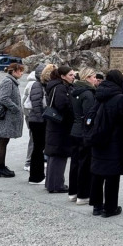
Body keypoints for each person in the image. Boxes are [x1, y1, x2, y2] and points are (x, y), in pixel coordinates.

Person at [90, 69, 123, 218]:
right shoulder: (120, 98)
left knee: (97, 173)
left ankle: (97, 206)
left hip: (98, 137)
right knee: (112, 175)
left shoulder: (98, 93)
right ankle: (110, 208)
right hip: (114, 139)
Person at [68, 67, 99, 205]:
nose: (95, 79)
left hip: (75, 129)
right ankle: (82, 194)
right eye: (93, 76)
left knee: (75, 163)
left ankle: (73, 192)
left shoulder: (74, 91)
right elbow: (89, 115)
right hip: (83, 132)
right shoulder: (88, 94)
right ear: (87, 78)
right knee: (84, 164)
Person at [0, 62, 25, 178]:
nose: (22, 73)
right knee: (3, 141)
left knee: (4, 141)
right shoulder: (8, 81)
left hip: (8, 117)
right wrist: (16, 109)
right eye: (20, 70)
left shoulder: (12, 81)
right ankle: (0, 168)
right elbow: (3, 98)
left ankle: (1, 167)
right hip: (6, 117)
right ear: (13, 71)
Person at [44, 65, 75, 193]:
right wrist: (72, 112)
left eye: (73, 75)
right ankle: (57, 185)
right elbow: (62, 105)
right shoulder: (61, 88)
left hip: (55, 125)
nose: (73, 77)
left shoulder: (55, 86)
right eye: (70, 75)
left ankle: (51, 183)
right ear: (63, 76)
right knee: (59, 155)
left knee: (54, 155)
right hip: (60, 126)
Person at [26, 64, 51, 185]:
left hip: (37, 120)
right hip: (37, 122)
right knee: (38, 149)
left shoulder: (41, 85)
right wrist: (43, 118)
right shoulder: (37, 85)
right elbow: (36, 105)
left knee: (39, 148)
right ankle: (36, 177)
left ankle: (37, 175)